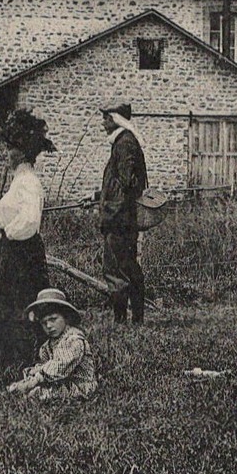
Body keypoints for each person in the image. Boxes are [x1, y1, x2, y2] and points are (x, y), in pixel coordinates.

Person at [0, 109, 56, 372]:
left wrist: (9, 231)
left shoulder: (28, 182)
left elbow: (30, 221)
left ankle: (20, 359)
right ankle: (6, 359)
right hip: (14, 249)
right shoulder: (20, 180)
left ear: (21, 152)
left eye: (9, 148)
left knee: (20, 303)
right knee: (8, 303)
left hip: (22, 251)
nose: (6, 154)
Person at [98, 101, 148, 325]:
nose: (103, 123)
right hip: (124, 217)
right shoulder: (124, 141)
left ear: (115, 120)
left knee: (116, 268)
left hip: (118, 218)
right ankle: (136, 317)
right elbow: (120, 181)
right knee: (128, 266)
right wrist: (97, 195)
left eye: (106, 118)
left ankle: (121, 319)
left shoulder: (124, 143)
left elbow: (128, 182)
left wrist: (111, 208)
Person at [6, 288, 95, 401]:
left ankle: (31, 393)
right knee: (27, 387)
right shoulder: (47, 346)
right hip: (58, 380)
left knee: (36, 394)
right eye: (44, 323)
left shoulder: (74, 340)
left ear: (66, 318)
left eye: (53, 319)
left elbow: (60, 366)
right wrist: (33, 373)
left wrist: (34, 380)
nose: (48, 326)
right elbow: (47, 367)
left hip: (79, 385)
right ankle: (20, 390)